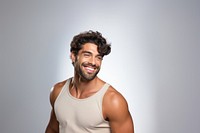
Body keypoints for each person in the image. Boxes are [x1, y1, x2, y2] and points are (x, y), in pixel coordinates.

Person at [45, 30, 134, 133]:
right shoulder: (57, 91)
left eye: (98, 57)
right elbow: (52, 129)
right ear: (73, 56)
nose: (93, 62)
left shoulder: (113, 101)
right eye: (87, 55)